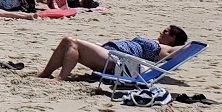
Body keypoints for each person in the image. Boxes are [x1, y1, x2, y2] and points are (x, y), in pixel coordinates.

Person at [37, 25, 191, 80]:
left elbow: (180, 50)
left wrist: (193, 45)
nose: (160, 32)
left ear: (172, 38)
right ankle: (45, 73)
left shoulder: (164, 50)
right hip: (110, 52)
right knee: (66, 42)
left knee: (71, 41)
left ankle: (60, 78)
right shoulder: (157, 44)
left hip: (116, 60)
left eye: (165, 31)